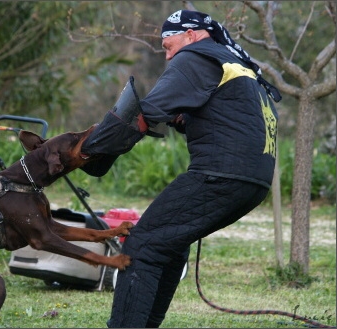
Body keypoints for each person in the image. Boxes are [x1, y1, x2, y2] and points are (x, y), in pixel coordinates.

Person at [95, 9, 281, 328]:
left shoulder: (196, 56)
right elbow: (229, 115)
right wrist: (186, 119)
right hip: (254, 181)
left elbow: (147, 111)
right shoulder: (238, 65)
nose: (168, 57)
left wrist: (92, 147)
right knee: (169, 243)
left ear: (191, 36)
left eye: (168, 46)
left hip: (221, 174)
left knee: (142, 244)